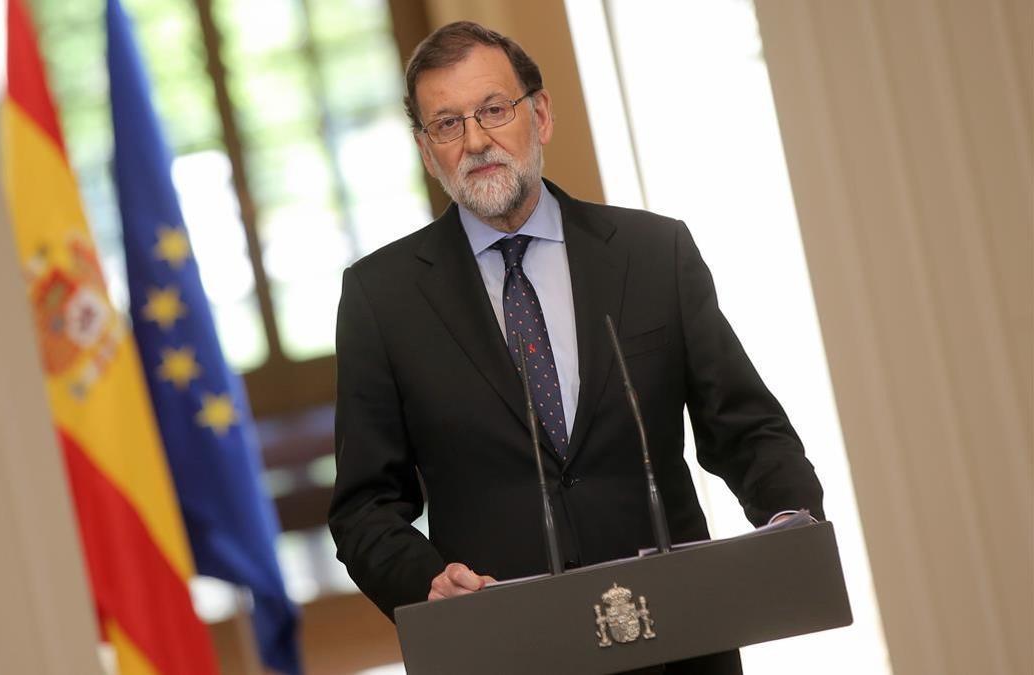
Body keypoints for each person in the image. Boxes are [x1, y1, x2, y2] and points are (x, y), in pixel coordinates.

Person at [328, 21, 823, 674]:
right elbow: (364, 508)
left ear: (540, 113)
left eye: (493, 110)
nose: (476, 141)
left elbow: (747, 428)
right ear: (427, 151)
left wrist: (790, 518)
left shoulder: (654, 254)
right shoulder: (381, 299)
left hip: (679, 642)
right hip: (506, 652)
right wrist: (429, 583)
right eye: (447, 125)